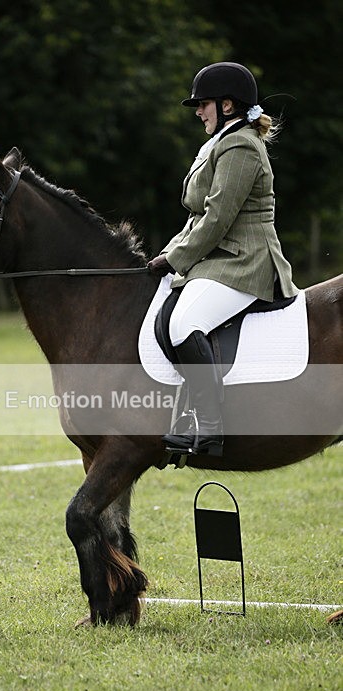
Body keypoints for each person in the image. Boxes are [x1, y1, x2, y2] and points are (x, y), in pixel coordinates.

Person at [148, 61, 298, 457]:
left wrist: (177, 257)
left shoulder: (241, 145)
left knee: (184, 323)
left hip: (246, 262)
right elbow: (198, 215)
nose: (198, 112)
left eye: (203, 104)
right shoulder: (219, 141)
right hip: (219, 259)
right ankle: (183, 414)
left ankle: (211, 428)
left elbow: (218, 217)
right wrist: (169, 252)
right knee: (165, 312)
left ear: (227, 105)